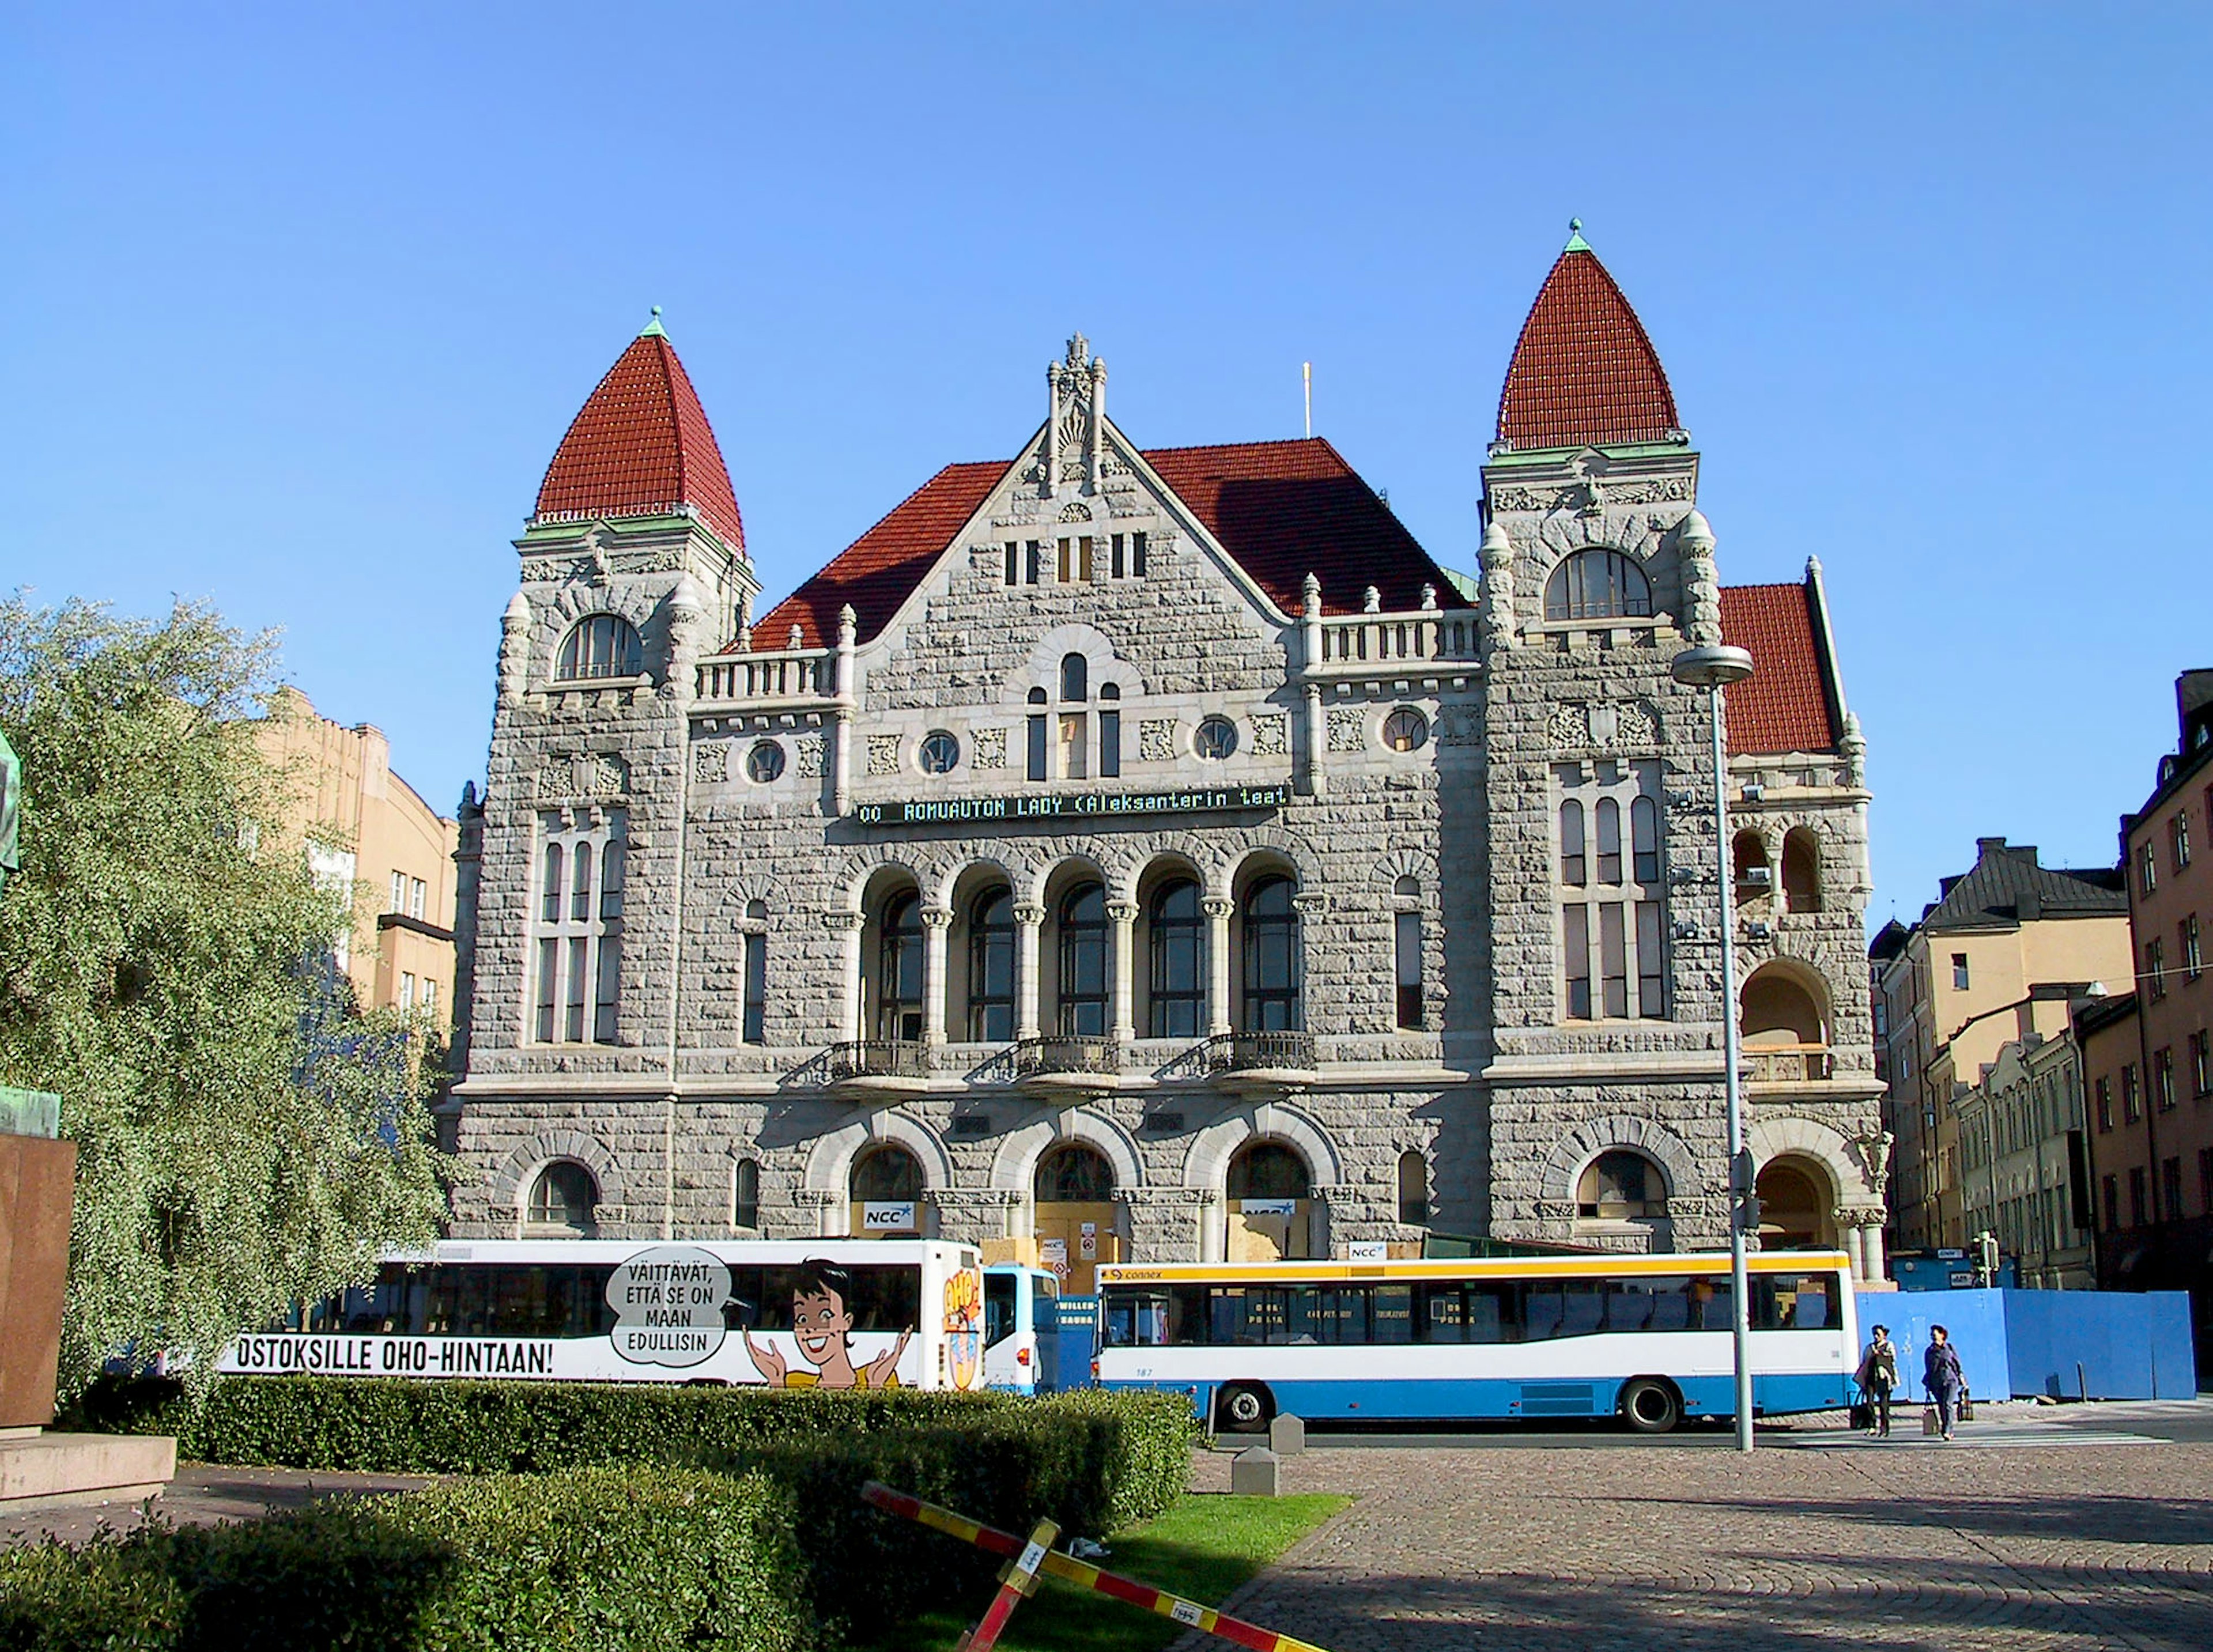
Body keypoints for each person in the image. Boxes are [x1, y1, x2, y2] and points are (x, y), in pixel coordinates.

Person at [742, 1260, 913, 1390]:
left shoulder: (877, 1376)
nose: (811, 1329)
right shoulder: (795, 1381)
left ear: (847, 1322)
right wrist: (776, 1381)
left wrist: (875, 1387)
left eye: (825, 1316)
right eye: (802, 1318)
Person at [1855, 1323, 1899, 1437]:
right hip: (1870, 1378)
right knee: (1869, 1402)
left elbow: (1892, 1358)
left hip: (1883, 1378)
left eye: (1878, 1334)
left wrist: (1880, 1354)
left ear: (1884, 1335)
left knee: (1884, 1405)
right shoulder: (1870, 1347)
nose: (1876, 1337)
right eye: (1874, 1334)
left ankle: (1885, 1428)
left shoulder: (1889, 1345)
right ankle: (1872, 1426)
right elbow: (1864, 1362)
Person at [1924, 1322, 1966, 1441]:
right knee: (1942, 1406)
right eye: (1931, 1335)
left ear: (1942, 1335)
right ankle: (1946, 1429)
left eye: (1935, 1334)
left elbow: (1957, 1364)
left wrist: (1962, 1378)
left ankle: (1947, 1430)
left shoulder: (1949, 1348)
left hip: (1950, 1380)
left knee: (1948, 1405)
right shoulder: (1929, 1351)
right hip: (1936, 1382)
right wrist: (1928, 1383)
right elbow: (1928, 1368)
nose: (1933, 1336)